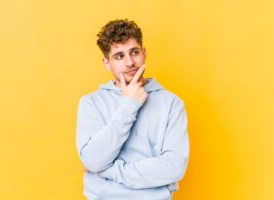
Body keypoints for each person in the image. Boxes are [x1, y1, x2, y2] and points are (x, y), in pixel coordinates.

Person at [76, 19, 190, 200]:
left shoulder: (172, 104)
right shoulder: (91, 103)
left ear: (144, 53)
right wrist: (129, 106)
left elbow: (173, 167)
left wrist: (109, 170)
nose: (130, 62)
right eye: (119, 56)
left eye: (134, 52)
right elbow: (93, 160)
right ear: (107, 63)